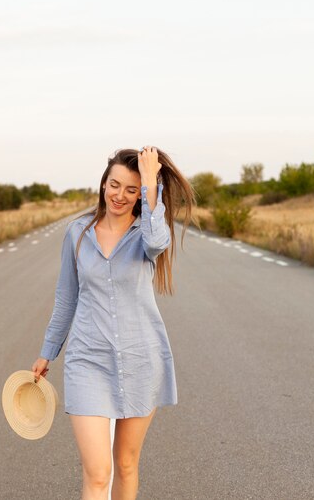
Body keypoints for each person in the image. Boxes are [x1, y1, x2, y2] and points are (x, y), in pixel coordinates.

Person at [32, 145, 197, 500]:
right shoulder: (77, 234)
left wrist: (153, 182)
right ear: (103, 183)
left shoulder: (147, 235)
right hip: (87, 360)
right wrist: (47, 353)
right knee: (97, 472)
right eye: (114, 184)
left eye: (131, 189)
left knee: (125, 464)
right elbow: (67, 298)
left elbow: (157, 241)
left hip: (141, 361)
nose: (120, 195)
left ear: (141, 195)